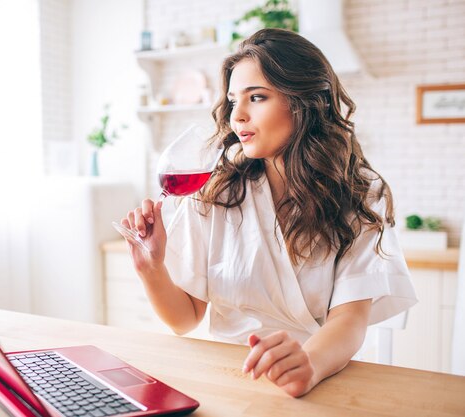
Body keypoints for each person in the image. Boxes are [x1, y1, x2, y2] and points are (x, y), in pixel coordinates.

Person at [118, 28, 417, 397]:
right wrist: (151, 268)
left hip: (320, 375)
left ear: (305, 101)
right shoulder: (214, 193)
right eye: (232, 101)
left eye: (256, 97)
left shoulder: (360, 194)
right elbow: (185, 318)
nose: (237, 116)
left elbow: (350, 319)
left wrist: (309, 365)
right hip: (228, 379)